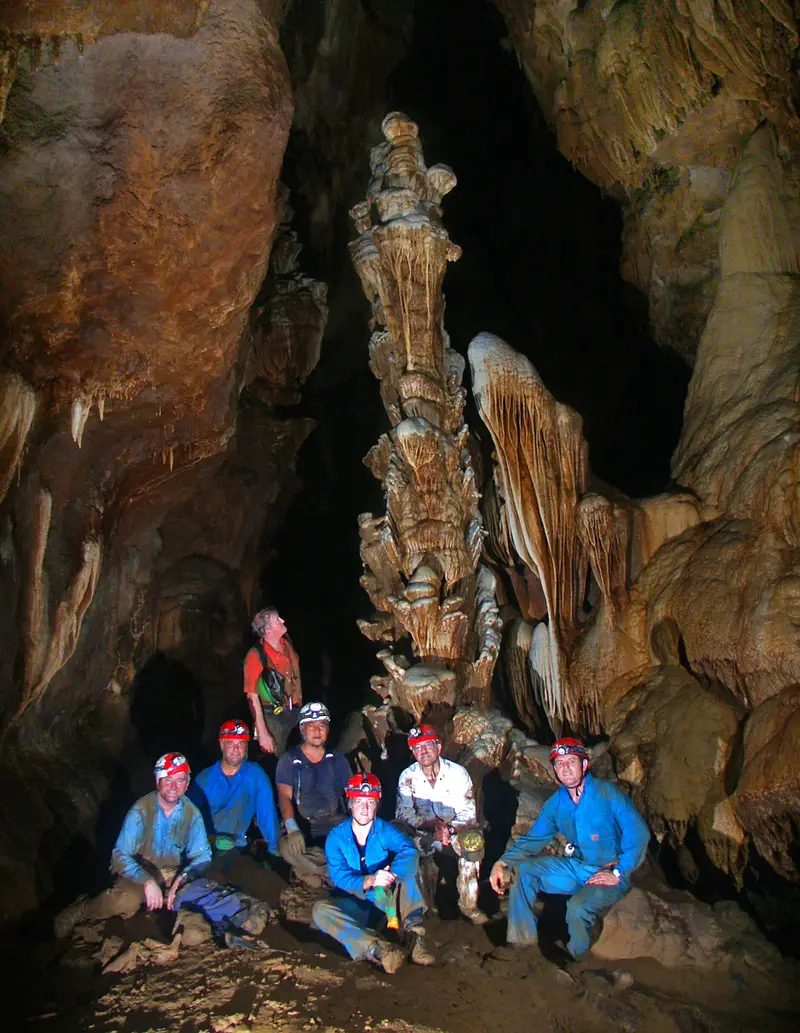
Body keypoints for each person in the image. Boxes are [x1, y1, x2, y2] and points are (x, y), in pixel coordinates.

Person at [55, 753, 271, 944]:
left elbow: (202, 855)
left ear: (187, 784)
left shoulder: (192, 814)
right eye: (168, 779)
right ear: (157, 781)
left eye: (180, 780)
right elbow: (119, 856)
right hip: (141, 870)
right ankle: (83, 909)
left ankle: (241, 910)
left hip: (173, 872)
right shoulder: (141, 811)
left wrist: (182, 878)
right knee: (127, 900)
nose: (174, 786)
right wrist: (147, 882)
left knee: (199, 888)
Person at [489, 737, 650, 960]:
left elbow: (638, 833)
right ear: (554, 769)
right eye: (559, 764)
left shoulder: (607, 794)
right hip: (576, 868)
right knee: (523, 870)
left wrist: (618, 871)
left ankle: (576, 957)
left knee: (577, 907)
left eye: (571, 762)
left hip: (609, 871)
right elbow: (534, 839)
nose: (565, 768)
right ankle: (520, 941)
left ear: (584, 765)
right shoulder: (557, 803)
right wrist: (503, 862)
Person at [312, 774, 434, 973]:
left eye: (370, 802)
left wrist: (391, 876)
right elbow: (339, 876)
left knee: (408, 871)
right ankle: (378, 950)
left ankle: (415, 938)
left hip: (385, 900)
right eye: (359, 801)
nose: (365, 808)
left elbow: (409, 850)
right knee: (320, 910)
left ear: (377, 805)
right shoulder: (336, 837)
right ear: (350, 804)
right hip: (356, 902)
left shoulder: (384, 830)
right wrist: (369, 880)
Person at [395, 724, 488, 924]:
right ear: (413, 752)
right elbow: (403, 813)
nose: (423, 751)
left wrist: (450, 829)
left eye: (428, 745)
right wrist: (428, 825)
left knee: (473, 842)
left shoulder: (458, 773)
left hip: (454, 830)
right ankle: (419, 907)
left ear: (438, 747)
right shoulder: (407, 777)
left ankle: (468, 905)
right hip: (422, 831)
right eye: (417, 747)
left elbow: (468, 811)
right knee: (401, 843)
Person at [275, 701, 351, 884]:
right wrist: (292, 828)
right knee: (287, 848)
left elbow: (352, 795)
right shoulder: (289, 760)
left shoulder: (337, 759)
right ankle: (337, 873)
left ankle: (317, 872)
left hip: (335, 822)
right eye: (311, 726)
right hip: (305, 824)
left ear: (328, 729)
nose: (317, 731)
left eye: (322, 725)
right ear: (302, 729)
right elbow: (284, 797)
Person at [189, 720, 281, 867]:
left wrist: (274, 851)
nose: (236, 749)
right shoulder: (204, 779)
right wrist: (211, 840)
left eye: (241, 744)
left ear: (246, 747)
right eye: (230, 743)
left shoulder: (255, 775)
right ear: (221, 745)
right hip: (205, 848)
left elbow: (267, 814)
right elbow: (187, 820)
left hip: (238, 847)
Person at [243, 608, 302, 756]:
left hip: (294, 712)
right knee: (276, 759)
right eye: (277, 620)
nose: (283, 621)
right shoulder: (255, 655)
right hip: (272, 717)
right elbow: (251, 696)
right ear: (268, 630)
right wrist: (262, 732)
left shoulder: (286, 643)